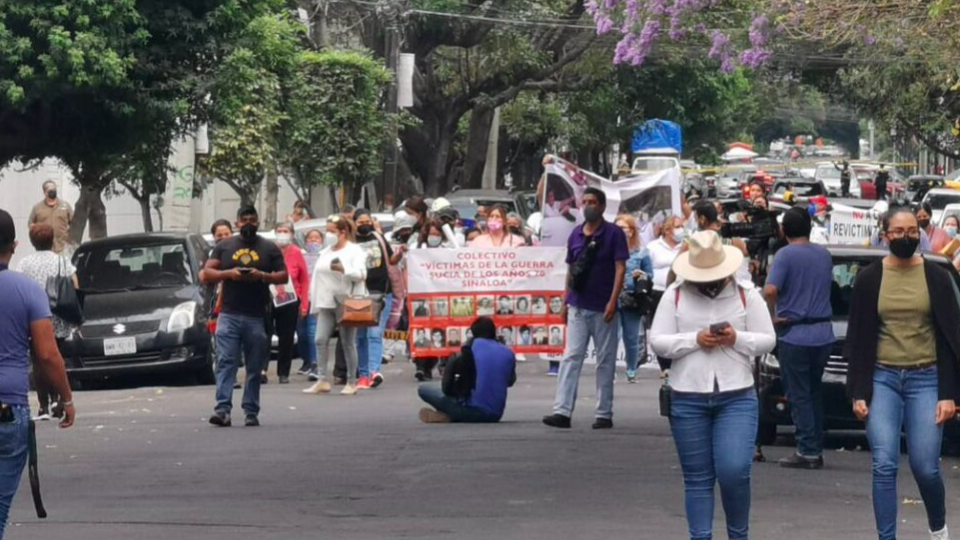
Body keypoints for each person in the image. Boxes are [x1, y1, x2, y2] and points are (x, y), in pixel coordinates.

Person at [650, 230, 776, 540]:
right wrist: (693, 339)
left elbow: (768, 339)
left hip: (736, 394)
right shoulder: (675, 294)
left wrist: (738, 338)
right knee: (697, 478)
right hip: (687, 393)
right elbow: (659, 341)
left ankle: (738, 534)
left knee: (734, 472)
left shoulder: (746, 293)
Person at [846, 208, 960, 540]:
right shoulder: (869, 279)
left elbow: (952, 336)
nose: (906, 236)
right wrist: (857, 391)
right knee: (884, 464)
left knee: (925, 466)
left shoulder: (936, 277)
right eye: (898, 231)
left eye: (912, 230)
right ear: (885, 234)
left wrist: (949, 394)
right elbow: (857, 337)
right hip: (882, 379)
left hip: (927, 378)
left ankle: (938, 527)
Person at [0, 209, 76, 536]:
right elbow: (47, 354)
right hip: (8, 408)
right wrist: (67, 398)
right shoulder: (28, 291)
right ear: (14, 246)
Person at [543, 187, 628, 430]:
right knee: (571, 357)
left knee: (605, 360)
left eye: (593, 202)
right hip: (578, 305)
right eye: (585, 201)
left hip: (603, 306)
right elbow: (570, 270)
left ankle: (604, 412)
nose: (588, 205)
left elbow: (620, 268)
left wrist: (613, 300)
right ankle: (562, 410)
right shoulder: (576, 234)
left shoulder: (613, 234)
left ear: (601, 207)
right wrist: (565, 301)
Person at [201, 206, 288, 427]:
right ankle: (222, 409)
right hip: (229, 314)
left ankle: (251, 411)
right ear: (237, 223)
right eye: (244, 219)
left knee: (254, 366)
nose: (248, 223)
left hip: (256, 316)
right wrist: (229, 274)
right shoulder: (225, 246)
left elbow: (283, 276)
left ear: (257, 222)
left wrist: (261, 276)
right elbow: (206, 274)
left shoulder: (269, 248)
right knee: (226, 361)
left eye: (252, 219)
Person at [763, 208, 835, 469]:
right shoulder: (823, 255)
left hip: (795, 332)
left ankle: (807, 450)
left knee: (799, 393)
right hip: (823, 332)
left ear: (784, 231)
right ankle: (815, 443)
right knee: (813, 391)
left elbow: (771, 289)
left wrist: (773, 314)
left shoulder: (785, 255)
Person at [15, 224, 78, 419]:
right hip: (58, 316)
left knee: (38, 361)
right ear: (51, 240)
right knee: (56, 356)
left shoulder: (24, 264)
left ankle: (43, 405)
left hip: (33, 319)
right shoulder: (61, 261)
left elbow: (19, 286)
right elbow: (75, 284)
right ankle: (59, 398)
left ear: (33, 242)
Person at [303, 215, 367, 396]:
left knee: (348, 342)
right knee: (320, 339)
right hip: (326, 302)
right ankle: (322, 380)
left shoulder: (354, 251)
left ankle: (352, 382)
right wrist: (313, 303)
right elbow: (317, 278)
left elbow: (362, 274)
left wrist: (344, 269)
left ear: (343, 232)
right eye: (327, 230)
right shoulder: (326, 252)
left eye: (332, 231)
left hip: (347, 301)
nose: (328, 234)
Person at [418, 317, 517, 423]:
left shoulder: (470, 347)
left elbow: (448, 386)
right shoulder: (508, 352)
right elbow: (510, 381)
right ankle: (451, 415)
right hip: (496, 414)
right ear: (494, 331)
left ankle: (450, 415)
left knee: (423, 389)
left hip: (474, 410)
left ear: (473, 333)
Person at [353, 209, 395, 389]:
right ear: (354, 223)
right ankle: (363, 374)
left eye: (367, 221)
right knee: (361, 336)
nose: (365, 224)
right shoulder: (350, 242)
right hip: (358, 294)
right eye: (360, 222)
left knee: (375, 334)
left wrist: (400, 255)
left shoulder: (379, 238)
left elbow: (391, 259)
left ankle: (374, 372)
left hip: (382, 292)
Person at [266, 222, 309, 385]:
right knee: (265, 334)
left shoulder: (297, 252)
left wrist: (304, 303)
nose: (283, 234)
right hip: (269, 297)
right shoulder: (268, 250)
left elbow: (304, 279)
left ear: (291, 234)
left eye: (286, 231)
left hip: (290, 299)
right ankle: (262, 369)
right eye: (280, 231)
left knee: (287, 336)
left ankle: (283, 372)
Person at [615, 214, 654, 384]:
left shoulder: (641, 252)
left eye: (623, 228)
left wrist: (642, 275)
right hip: (613, 298)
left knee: (631, 338)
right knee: (612, 337)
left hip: (632, 298)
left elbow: (650, 274)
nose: (620, 232)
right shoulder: (608, 249)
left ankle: (631, 369)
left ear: (631, 231)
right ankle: (609, 371)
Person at [647, 215, 685, 375]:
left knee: (678, 326)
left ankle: (677, 362)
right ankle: (665, 366)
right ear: (668, 230)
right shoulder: (653, 247)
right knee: (661, 327)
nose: (681, 230)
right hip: (658, 291)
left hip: (679, 291)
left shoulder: (685, 246)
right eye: (677, 226)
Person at [297, 229, 324, 378]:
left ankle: (315, 363)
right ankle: (307, 360)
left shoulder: (324, 255)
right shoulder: (302, 256)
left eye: (317, 238)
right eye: (310, 238)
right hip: (302, 297)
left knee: (312, 330)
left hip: (318, 297)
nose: (313, 241)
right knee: (301, 333)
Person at [28, 180, 73, 254]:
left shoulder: (65, 206)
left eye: (54, 189)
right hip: (44, 250)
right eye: (50, 189)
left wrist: (69, 240)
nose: (53, 191)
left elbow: (73, 224)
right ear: (45, 192)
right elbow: (31, 225)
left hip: (62, 248)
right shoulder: (37, 208)